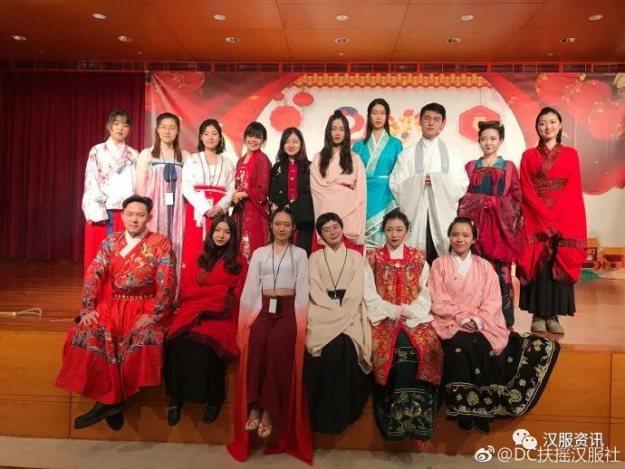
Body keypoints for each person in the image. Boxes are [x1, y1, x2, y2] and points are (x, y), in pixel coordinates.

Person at [428, 217, 560, 434]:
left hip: (482, 323)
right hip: (451, 321)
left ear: (473, 239)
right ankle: (463, 411)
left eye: (465, 235)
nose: (460, 239)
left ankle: (482, 409)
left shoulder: (484, 266)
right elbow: (438, 298)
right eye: (455, 235)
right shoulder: (439, 265)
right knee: (460, 345)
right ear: (449, 237)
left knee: (482, 346)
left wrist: (477, 320)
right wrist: (462, 318)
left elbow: (492, 300)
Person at [55, 195, 176, 431]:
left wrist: (156, 314)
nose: (134, 219)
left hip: (145, 306)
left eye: (140, 215)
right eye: (130, 214)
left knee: (143, 336)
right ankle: (112, 401)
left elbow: (168, 281)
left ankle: (110, 402)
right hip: (114, 304)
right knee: (87, 332)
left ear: (149, 217)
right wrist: (88, 308)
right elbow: (94, 274)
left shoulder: (160, 243)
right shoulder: (111, 242)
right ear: (122, 216)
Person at [227, 208, 312, 464]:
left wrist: (301, 320)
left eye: (287, 224)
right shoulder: (259, 253)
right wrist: (248, 317)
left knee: (276, 345)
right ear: (271, 226)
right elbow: (251, 288)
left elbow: (303, 288)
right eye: (278, 223)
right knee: (257, 342)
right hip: (264, 307)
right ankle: (255, 405)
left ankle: (268, 411)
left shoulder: (300, 254)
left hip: (288, 309)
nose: (282, 228)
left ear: (293, 228)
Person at [364, 209, 443, 450]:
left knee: (426, 351)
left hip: (415, 319)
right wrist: (391, 310)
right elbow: (369, 293)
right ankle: (394, 422)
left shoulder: (419, 258)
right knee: (396, 354)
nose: (394, 234)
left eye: (399, 229)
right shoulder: (373, 258)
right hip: (383, 319)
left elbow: (427, 291)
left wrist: (410, 311)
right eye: (389, 230)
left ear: (407, 231)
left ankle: (420, 426)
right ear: (383, 231)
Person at [164, 214, 247, 426]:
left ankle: (214, 400)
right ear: (211, 233)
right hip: (192, 313)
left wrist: (210, 296)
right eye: (218, 230)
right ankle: (175, 400)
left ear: (233, 236)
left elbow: (236, 295)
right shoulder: (198, 257)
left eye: (227, 232)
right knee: (179, 345)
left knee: (208, 347)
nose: (221, 235)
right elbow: (187, 290)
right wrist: (217, 293)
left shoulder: (238, 263)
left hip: (221, 317)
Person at [517, 107, 587, 334]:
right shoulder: (528, 156)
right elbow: (526, 188)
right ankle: (538, 314)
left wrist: (556, 216)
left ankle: (554, 315)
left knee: (558, 260)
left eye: (552, 122)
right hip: (536, 216)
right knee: (539, 263)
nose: (547, 127)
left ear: (560, 125)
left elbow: (573, 188)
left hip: (563, 217)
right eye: (542, 123)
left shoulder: (571, 154)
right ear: (537, 127)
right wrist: (544, 215)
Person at [304, 212, 372, 434]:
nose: (332, 232)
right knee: (325, 350)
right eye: (326, 230)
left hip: (351, 311)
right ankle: (322, 415)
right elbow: (314, 288)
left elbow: (357, 288)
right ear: (320, 235)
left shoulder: (356, 257)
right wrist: (333, 311)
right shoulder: (314, 258)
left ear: (342, 229)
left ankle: (345, 411)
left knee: (347, 347)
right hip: (322, 311)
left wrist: (343, 312)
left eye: (335, 227)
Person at [458, 121, 523, 327]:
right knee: (476, 271)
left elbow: (516, 197)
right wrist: (480, 202)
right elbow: (462, 196)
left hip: (500, 228)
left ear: (501, 140)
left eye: (493, 138)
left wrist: (494, 203)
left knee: (502, 272)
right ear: (478, 141)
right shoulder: (471, 167)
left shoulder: (509, 167)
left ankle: (504, 316)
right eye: (484, 139)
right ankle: (477, 314)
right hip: (476, 227)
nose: (488, 143)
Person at [389, 102, 469, 265]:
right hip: (416, 216)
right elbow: (395, 185)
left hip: (442, 218)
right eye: (427, 118)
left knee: (443, 263)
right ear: (420, 121)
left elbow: (461, 185)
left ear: (443, 123)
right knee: (416, 263)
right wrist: (418, 181)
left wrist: (438, 181)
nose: (431, 123)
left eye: (436, 119)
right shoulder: (407, 154)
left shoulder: (453, 154)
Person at [82, 109, 138, 271]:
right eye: (117, 124)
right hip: (103, 211)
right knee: (100, 256)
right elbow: (91, 181)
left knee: (125, 255)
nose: (121, 128)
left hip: (126, 212)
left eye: (125, 125)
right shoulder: (97, 151)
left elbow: (138, 184)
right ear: (109, 126)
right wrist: (97, 211)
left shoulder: (133, 154)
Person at [136, 112, 189, 281]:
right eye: (163, 127)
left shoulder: (185, 156)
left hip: (178, 209)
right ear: (157, 130)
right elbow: (140, 185)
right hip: (154, 209)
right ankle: (151, 285)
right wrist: (143, 211)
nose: (167, 131)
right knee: (153, 244)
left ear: (178, 131)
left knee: (176, 243)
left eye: (172, 127)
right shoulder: (147, 154)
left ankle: (173, 287)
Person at [181, 119, 235, 275]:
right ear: (201, 137)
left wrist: (221, 206)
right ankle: (192, 284)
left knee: (219, 246)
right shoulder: (192, 160)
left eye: (214, 134)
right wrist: (205, 208)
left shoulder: (228, 163)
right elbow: (186, 186)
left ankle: (217, 282)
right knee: (195, 247)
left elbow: (231, 190)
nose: (210, 137)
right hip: (197, 211)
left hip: (219, 211)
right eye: (206, 134)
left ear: (220, 137)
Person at [311, 110, 366, 254]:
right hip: (325, 211)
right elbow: (317, 190)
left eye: (341, 129)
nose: (337, 133)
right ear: (328, 131)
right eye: (334, 129)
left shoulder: (355, 159)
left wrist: (356, 216)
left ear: (346, 133)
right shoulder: (318, 158)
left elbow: (361, 193)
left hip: (349, 215)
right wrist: (342, 191)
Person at [352, 98, 403, 248]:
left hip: (386, 193)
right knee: (363, 239)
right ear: (369, 116)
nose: (378, 117)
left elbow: (400, 173)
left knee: (384, 234)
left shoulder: (396, 144)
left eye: (382, 113)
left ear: (387, 116)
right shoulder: (358, 146)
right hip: (363, 193)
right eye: (374, 113)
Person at [269, 127, 314, 255]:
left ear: (301, 144)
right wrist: (285, 207)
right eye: (287, 141)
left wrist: (292, 207)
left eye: (295, 141)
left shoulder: (310, 167)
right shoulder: (277, 167)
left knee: (302, 255)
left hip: (304, 221)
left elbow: (311, 193)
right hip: (282, 220)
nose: (291, 145)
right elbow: (273, 192)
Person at [232, 121, 272, 261]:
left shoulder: (262, 159)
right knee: (238, 246)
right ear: (244, 137)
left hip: (254, 210)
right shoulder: (240, 160)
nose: (253, 140)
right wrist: (234, 196)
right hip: (240, 210)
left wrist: (241, 194)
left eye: (258, 137)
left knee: (252, 247)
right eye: (250, 135)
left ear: (263, 140)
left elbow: (262, 188)